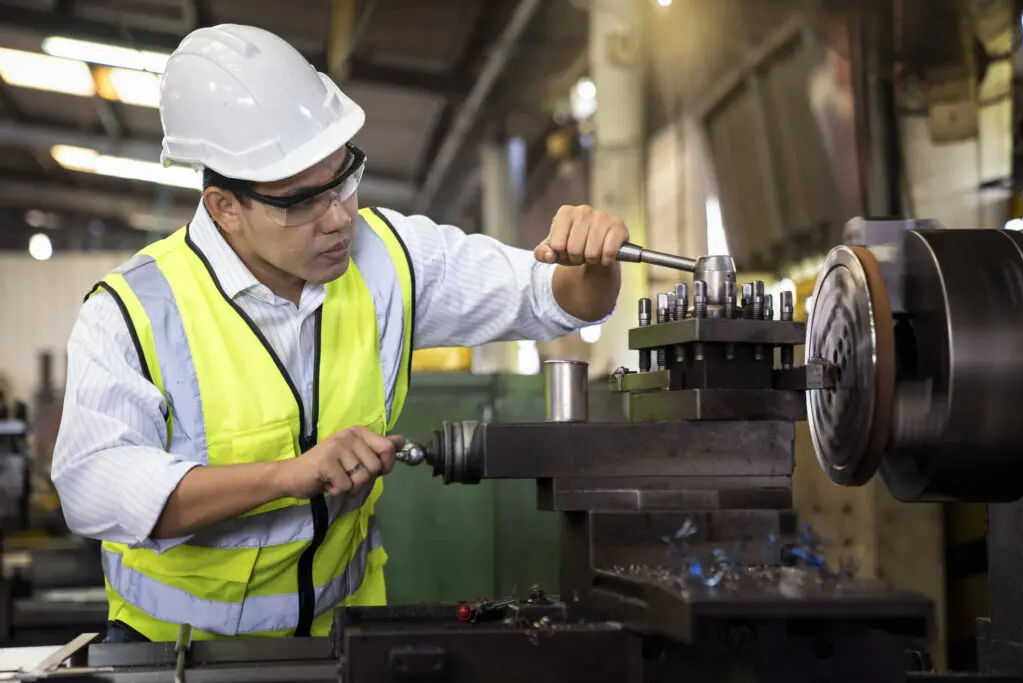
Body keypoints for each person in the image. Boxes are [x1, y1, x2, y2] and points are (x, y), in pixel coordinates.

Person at [50, 24, 629, 643]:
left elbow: (555, 299)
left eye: (346, 176)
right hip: (178, 654)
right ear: (224, 208)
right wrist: (289, 475)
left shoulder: (391, 261)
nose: (339, 217)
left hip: (342, 643)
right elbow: (91, 488)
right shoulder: (134, 309)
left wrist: (591, 262)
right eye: (302, 201)